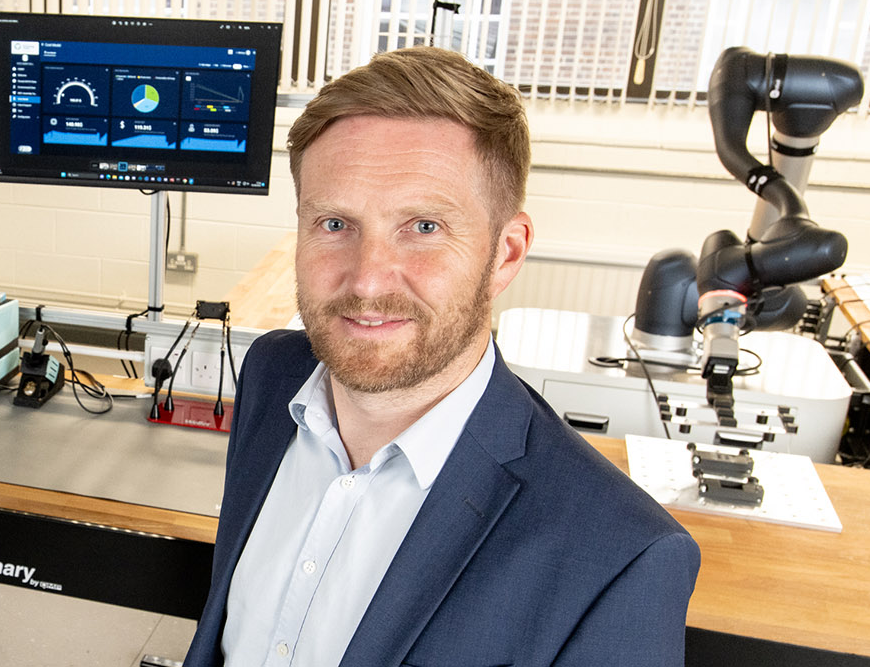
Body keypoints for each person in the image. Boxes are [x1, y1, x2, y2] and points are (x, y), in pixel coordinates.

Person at [184, 46, 699, 667]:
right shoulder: (274, 374)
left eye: (424, 227)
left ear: (505, 254)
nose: (369, 281)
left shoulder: (622, 556)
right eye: (334, 224)